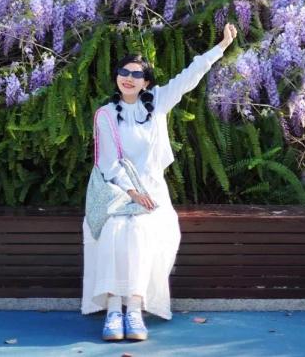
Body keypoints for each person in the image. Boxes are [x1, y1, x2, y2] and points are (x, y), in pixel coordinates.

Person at [81, 22, 238, 342]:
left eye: (137, 74)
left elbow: (189, 76)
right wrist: (131, 192)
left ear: (146, 81)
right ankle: (113, 310)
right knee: (114, 230)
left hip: (153, 191)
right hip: (117, 191)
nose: (129, 77)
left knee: (140, 232)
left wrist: (220, 47)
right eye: (123, 71)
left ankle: (135, 310)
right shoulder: (106, 114)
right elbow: (108, 163)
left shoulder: (158, 103)